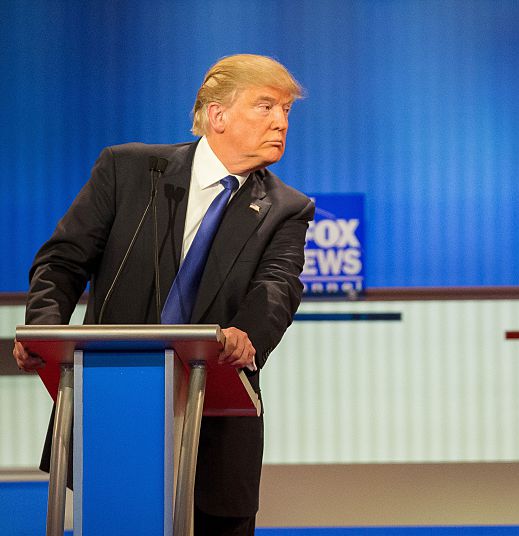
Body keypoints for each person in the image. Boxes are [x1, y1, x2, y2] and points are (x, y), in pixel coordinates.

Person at [13, 54, 315, 535]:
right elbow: (63, 260)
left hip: (213, 418)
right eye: (266, 106)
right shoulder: (129, 170)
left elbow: (278, 287)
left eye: (285, 111)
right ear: (217, 115)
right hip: (113, 404)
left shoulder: (286, 209)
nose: (280, 121)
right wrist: (47, 331)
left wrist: (247, 335)